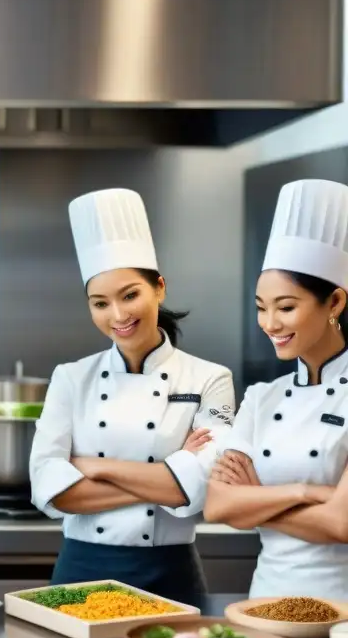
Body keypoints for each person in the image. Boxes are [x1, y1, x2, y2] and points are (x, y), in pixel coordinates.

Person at [28, 188, 236, 610]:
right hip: (81, 569)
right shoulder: (70, 378)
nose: (118, 316)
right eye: (100, 303)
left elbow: (199, 489)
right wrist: (166, 474)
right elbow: (49, 489)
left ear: (159, 288)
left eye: (129, 295)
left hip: (170, 572)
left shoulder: (211, 377)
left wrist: (93, 466)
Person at [206, 179, 348, 600]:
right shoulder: (261, 398)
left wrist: (254, 501)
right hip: (262, 606)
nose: (269, 323)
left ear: (335, 303)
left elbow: (342, 524)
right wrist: (306, 493)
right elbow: (217, 506)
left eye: (286, 307)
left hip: (341, 613)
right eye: (260, 308)